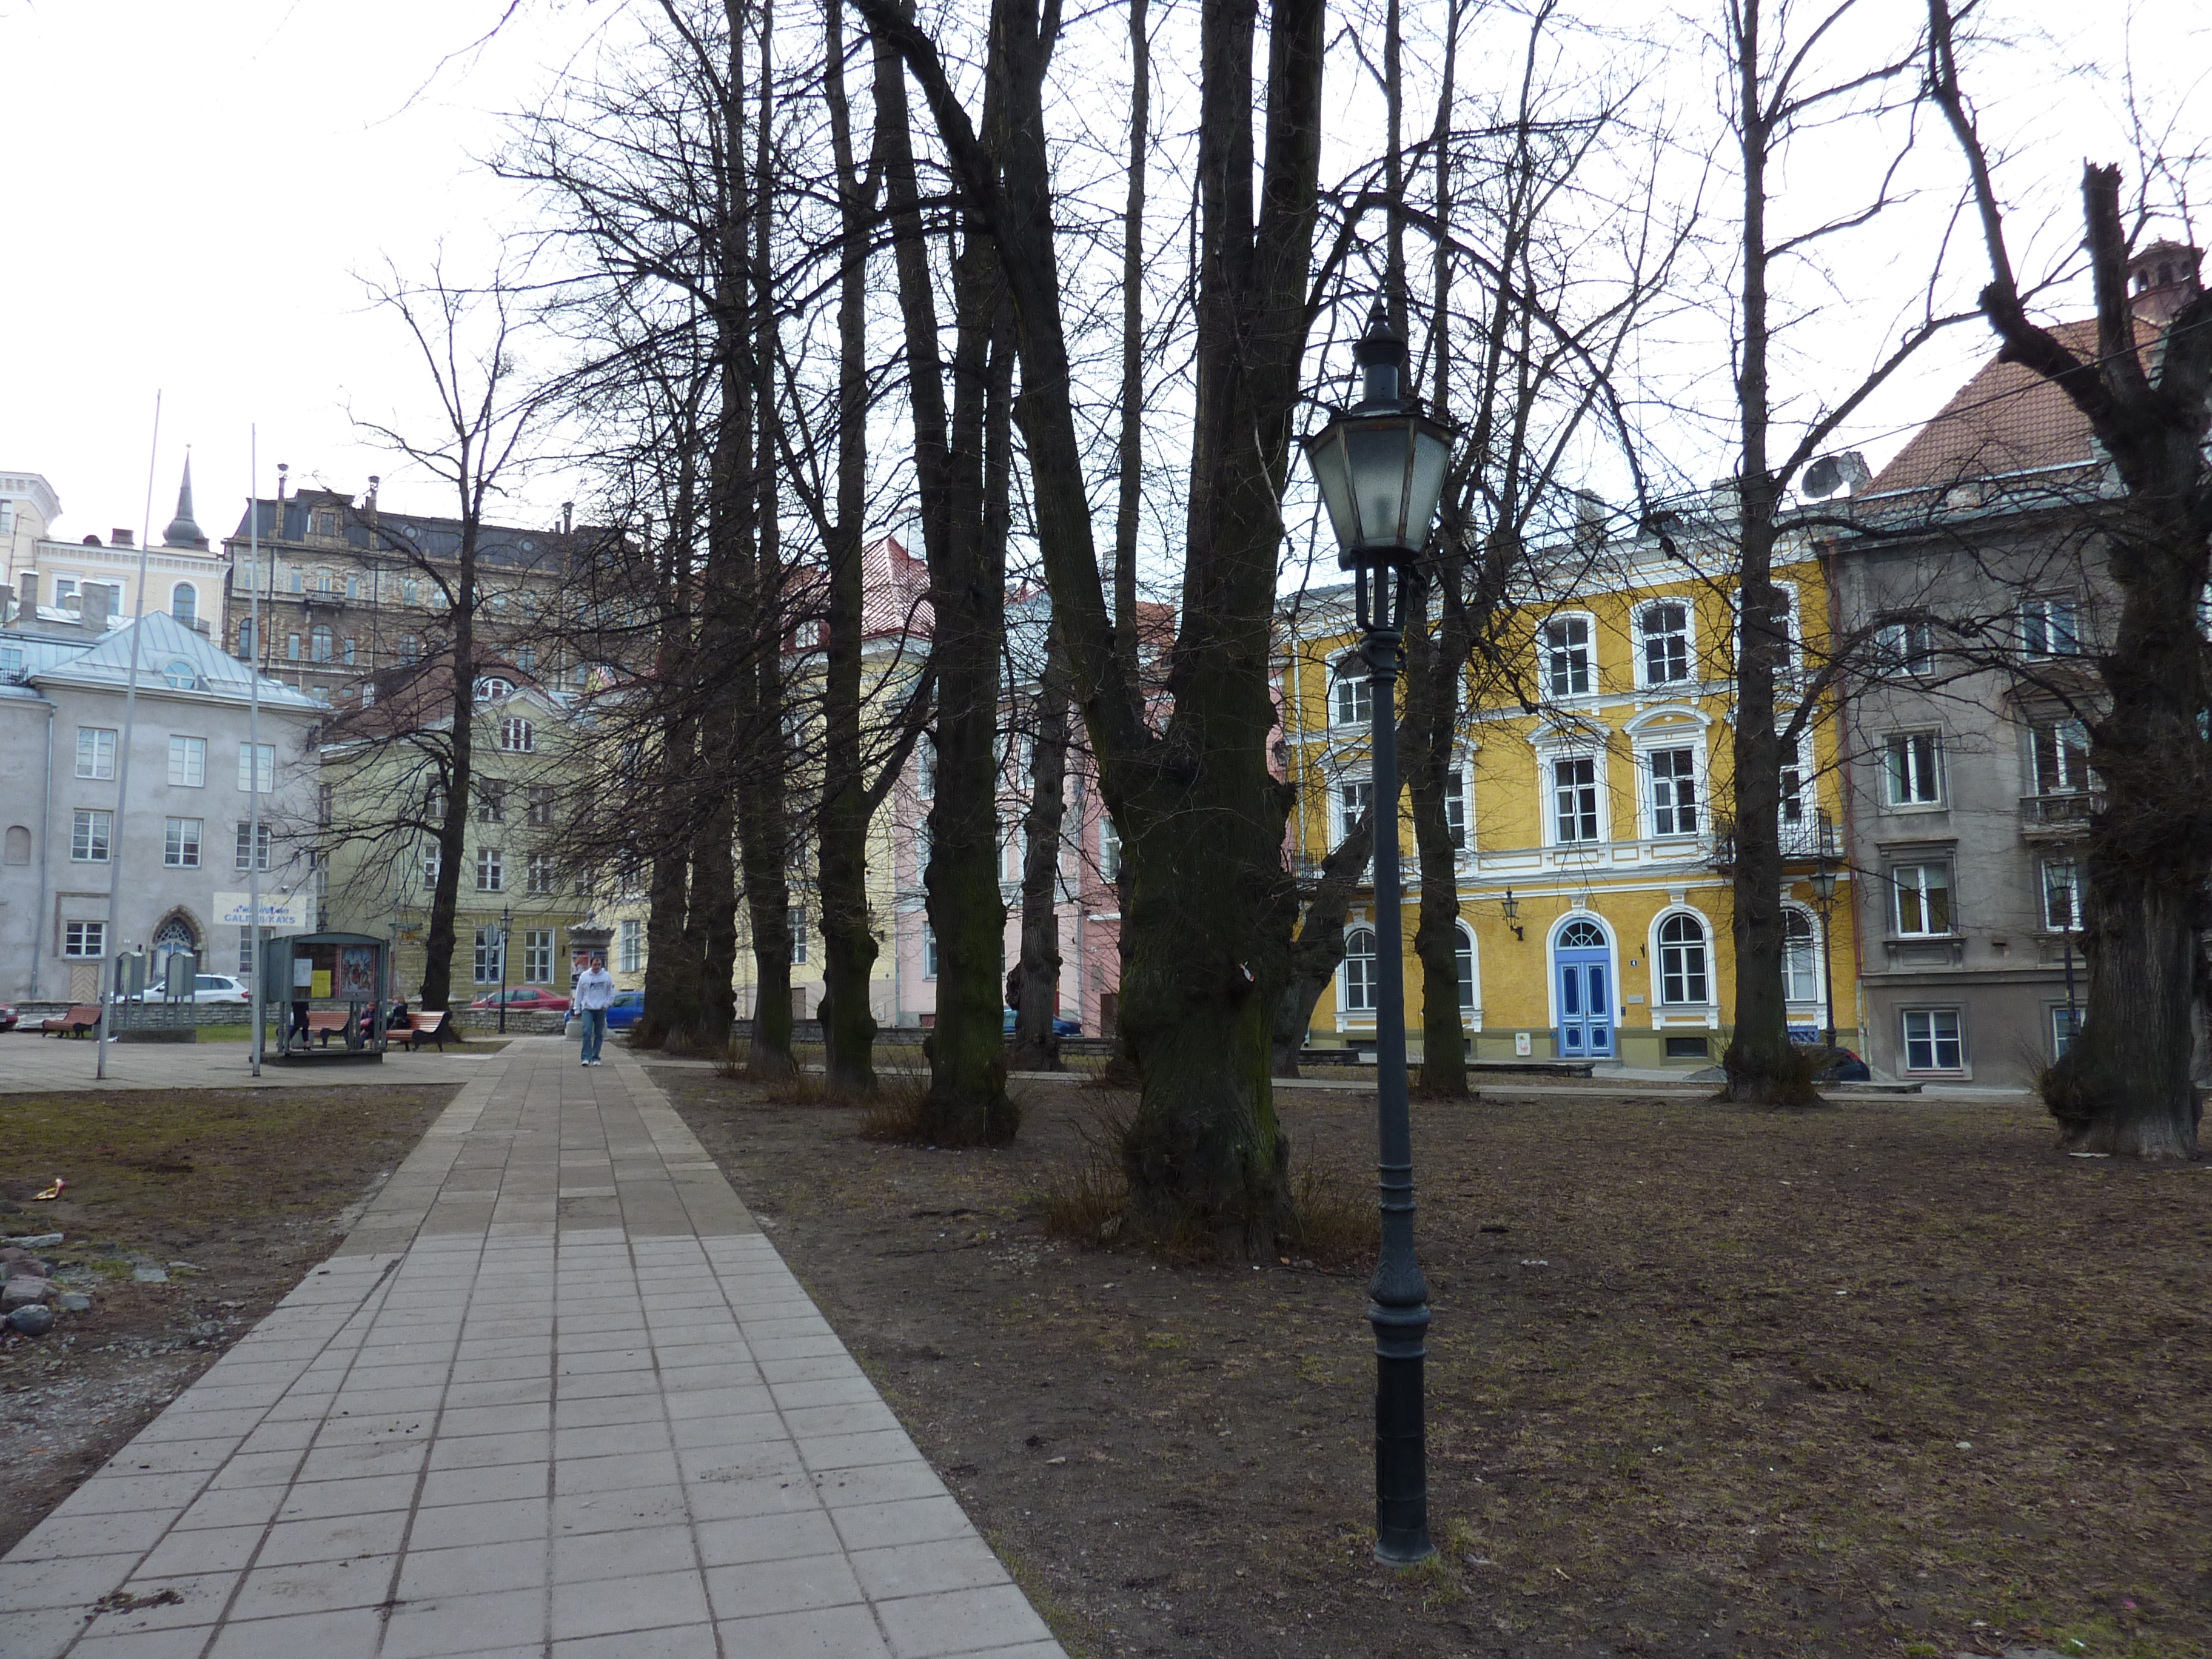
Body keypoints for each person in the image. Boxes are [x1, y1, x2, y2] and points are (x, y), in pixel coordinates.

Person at [572, 954, 615, 1067]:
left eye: (599, 964)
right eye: (595, 964)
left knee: (599, 1034)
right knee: (587, 1032)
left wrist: (607, 1004)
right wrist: (577, 1009)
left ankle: (596, 1057)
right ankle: (586, 1057)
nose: (597, 967)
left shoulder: (607, 976)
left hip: (601, 1008)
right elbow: (579, 993)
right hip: (588, 1008)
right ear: (591, 965)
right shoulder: (585, 976)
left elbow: (611, 993)